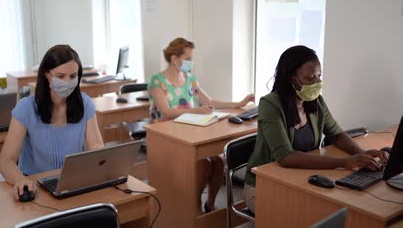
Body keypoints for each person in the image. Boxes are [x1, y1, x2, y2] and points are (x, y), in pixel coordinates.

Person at [243, 45, 388, 213]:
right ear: (292, 79)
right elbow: (286, 157)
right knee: (303, 215)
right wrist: (345, 163)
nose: (317, 83)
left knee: (332, 210)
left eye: (319, 76)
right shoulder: (270, 104)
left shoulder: (316, 101)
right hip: (264, 184)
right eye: (310, 78)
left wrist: (359, 154)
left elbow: (337, 134)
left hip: (300, 179)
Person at [148, 37, 255, 213]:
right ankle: (195, 203)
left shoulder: (190, 79)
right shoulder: (157, 81)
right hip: (167, 137)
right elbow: (166, 111)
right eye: (188, 58)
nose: (191, 62)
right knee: (204, 164)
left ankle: (210, 203)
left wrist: (239, 103)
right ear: (175, 59)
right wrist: (197, 111)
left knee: (218, 162)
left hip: (189, 132)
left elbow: (210, 101)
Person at [0, 45, 104, 200]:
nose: (68, 82)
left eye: (73, 76)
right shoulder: (26, 108)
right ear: (46, 74)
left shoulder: (85, 103)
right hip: (36, 187)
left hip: (74, 184)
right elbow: (5, 161)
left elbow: (96, 146)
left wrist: (101, 155)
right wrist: (20, 180)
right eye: (60, 77)